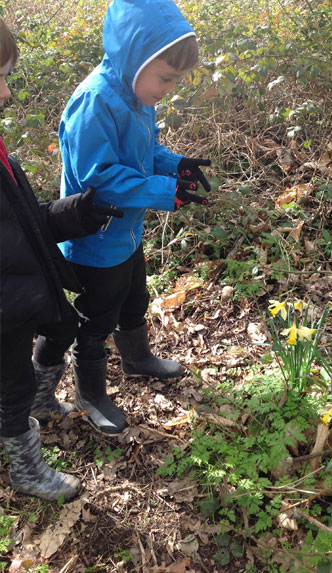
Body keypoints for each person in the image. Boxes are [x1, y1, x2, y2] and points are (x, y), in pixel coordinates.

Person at [58, 0, 212, 436]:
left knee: (134, 298)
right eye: (166, 78)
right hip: (95, 237)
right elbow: (99, 178)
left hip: (126, 232)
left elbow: (144, 155)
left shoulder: (139, 94)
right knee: (98, 315)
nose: (169, 89)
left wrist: (176, 165)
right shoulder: (95, 102)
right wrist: (166, 192)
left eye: (176, 81)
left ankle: (137, 358)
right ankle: (90, 392)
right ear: (134, 56)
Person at [0, 16, 123, 501]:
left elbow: (26, 223)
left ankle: (40, 396)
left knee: (61, 330)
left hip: (22, 293)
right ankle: (26, 471)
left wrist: (81, 211)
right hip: (6, 308)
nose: (5, 95)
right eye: (0, 77)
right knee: (9, 387)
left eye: (6, 77)